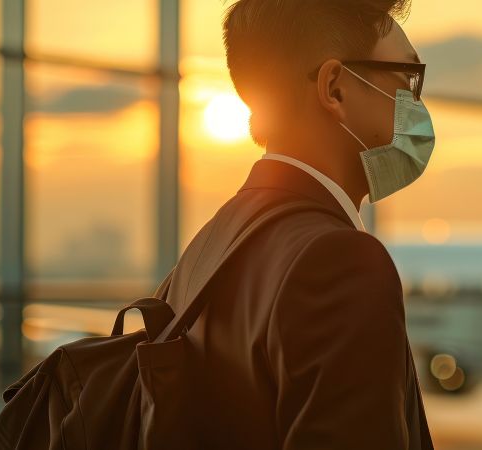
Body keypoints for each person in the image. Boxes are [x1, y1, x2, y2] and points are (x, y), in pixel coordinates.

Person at [172, 0, 435, 447]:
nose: (416, 102)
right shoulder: (340, 262)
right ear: (335, 88)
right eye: (407, 78)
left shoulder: (208, 246)